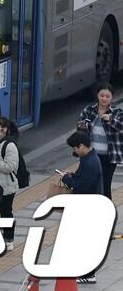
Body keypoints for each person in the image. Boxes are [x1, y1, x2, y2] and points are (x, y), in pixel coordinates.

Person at [61, 129, 106, 284]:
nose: (74, 151)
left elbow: (82, 186)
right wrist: (72, 175)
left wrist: (67, 179)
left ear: (81, 146)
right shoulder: (89, 158)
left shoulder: (90, 162)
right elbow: (82, 178)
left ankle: (88, 273)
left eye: (74, 148)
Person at [76, 83, 123, 196]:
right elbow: (79, 128)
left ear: (112, 97)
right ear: (97, 95)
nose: (104, 98)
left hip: (109, 156)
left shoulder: (116, 112)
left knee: (105, 185)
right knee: (91, 184)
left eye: (107, 96)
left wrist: (110, 120)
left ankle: (107, 211)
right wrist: (83, 126)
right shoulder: (89, 110)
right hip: (91, 155)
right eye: (102, 95)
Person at [0, 116, 21, 250]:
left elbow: (9, 167)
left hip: (7, 186)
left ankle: (8, 239)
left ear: (4, 129)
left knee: (6, 212)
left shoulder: (10, 145)